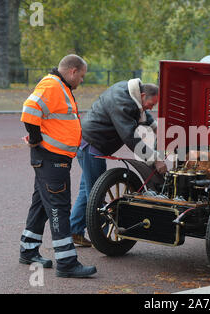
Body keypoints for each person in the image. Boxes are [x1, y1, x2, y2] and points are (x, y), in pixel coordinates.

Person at [19, 54, 97, 278]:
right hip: (51, 158)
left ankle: (28, 249)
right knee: (59, 207)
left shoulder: (59, 86)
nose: (82, 81)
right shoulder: (52, 85)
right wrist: (34, 139)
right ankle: (66, 263)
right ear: (73, 71)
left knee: (42, 205)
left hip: (53, 158)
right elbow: (29, 111)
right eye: (81, 76)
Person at [70, 78, 167, 246]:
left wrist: (154, 126)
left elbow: (141, 111)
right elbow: (130, 137)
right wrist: (155, 160)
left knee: (88, 189)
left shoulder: (130, 93)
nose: (152, 108)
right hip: (93, 145)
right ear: (143, 95)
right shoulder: (123, 102)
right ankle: (101, 237)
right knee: (96, 195)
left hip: (89, 144)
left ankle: (74, 231)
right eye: (152, 104)